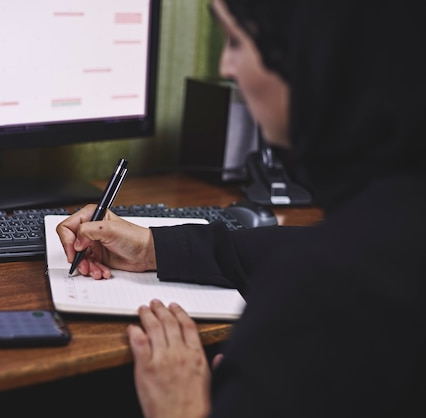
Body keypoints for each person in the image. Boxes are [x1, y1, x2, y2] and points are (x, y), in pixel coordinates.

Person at [56, 0, 425, 416]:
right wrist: (151, 248)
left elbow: (322, 267)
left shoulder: (329, 290)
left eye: (235, 40)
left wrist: (183, 408)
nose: (226, 67)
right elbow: (297, 247)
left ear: (308, 54)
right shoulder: (393, 219)